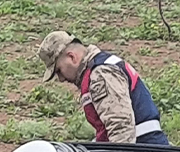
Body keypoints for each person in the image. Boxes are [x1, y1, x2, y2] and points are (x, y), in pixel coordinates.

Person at [37, 30, 170, 145]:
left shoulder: (100, 74)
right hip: (147, 149)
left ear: (72, 57)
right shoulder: (102, 66)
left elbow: (121, 128)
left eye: (59, 70)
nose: (61, 78)